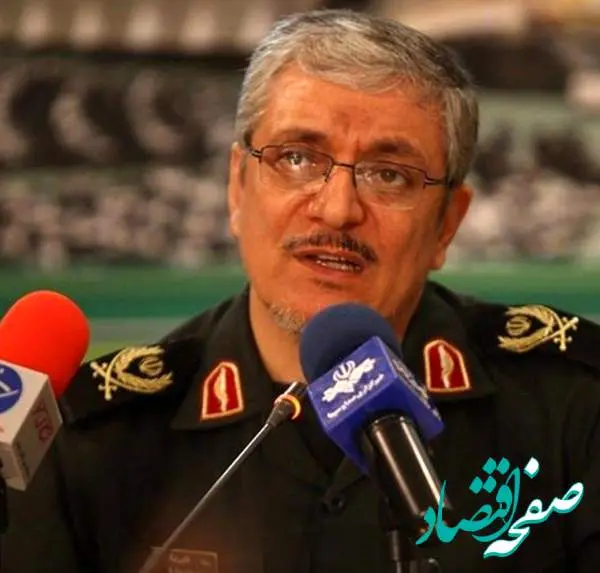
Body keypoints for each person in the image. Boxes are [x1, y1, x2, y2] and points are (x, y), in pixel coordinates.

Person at [5, 8, 600, 573]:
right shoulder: (99, 442)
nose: (337, 210)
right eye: (296, 158)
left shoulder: (569, 408)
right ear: (238, 188)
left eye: (388, 174)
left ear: (447, 223)